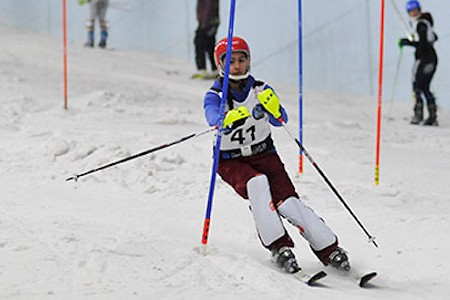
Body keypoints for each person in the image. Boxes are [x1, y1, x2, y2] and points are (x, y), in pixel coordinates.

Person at [203, 36, 350, 274]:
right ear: (220, 64)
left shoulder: (260, 89)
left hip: (264, 154)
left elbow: (280, 120)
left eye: (242, 59)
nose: (237, 65)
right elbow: (212, 118)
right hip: (231, 160)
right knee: (257, 184)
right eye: (230, 61)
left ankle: (329, 248)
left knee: (289, 202)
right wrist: (224, 120)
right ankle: (279, 247)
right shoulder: (216, 95)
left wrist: (274, 109)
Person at [399, 0, 438, 126]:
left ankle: (419, 114)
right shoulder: (424, 23)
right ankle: (431, 116)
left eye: (415, 10)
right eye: (410, 11)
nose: (413, 13)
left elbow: (423, 44)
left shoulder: (421, 24)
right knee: (424, 87)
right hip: (430, 58)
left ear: (419, 9)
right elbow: (433, 37)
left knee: (418, 85)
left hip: (425, 59)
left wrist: (408, 42)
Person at [192, 0, 220, 80]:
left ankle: (202, 69)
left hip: (207, 22)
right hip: (208, 22)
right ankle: (215, 69)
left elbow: (209, 7)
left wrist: (205, 22)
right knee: (210, 46)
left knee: (199, 43)